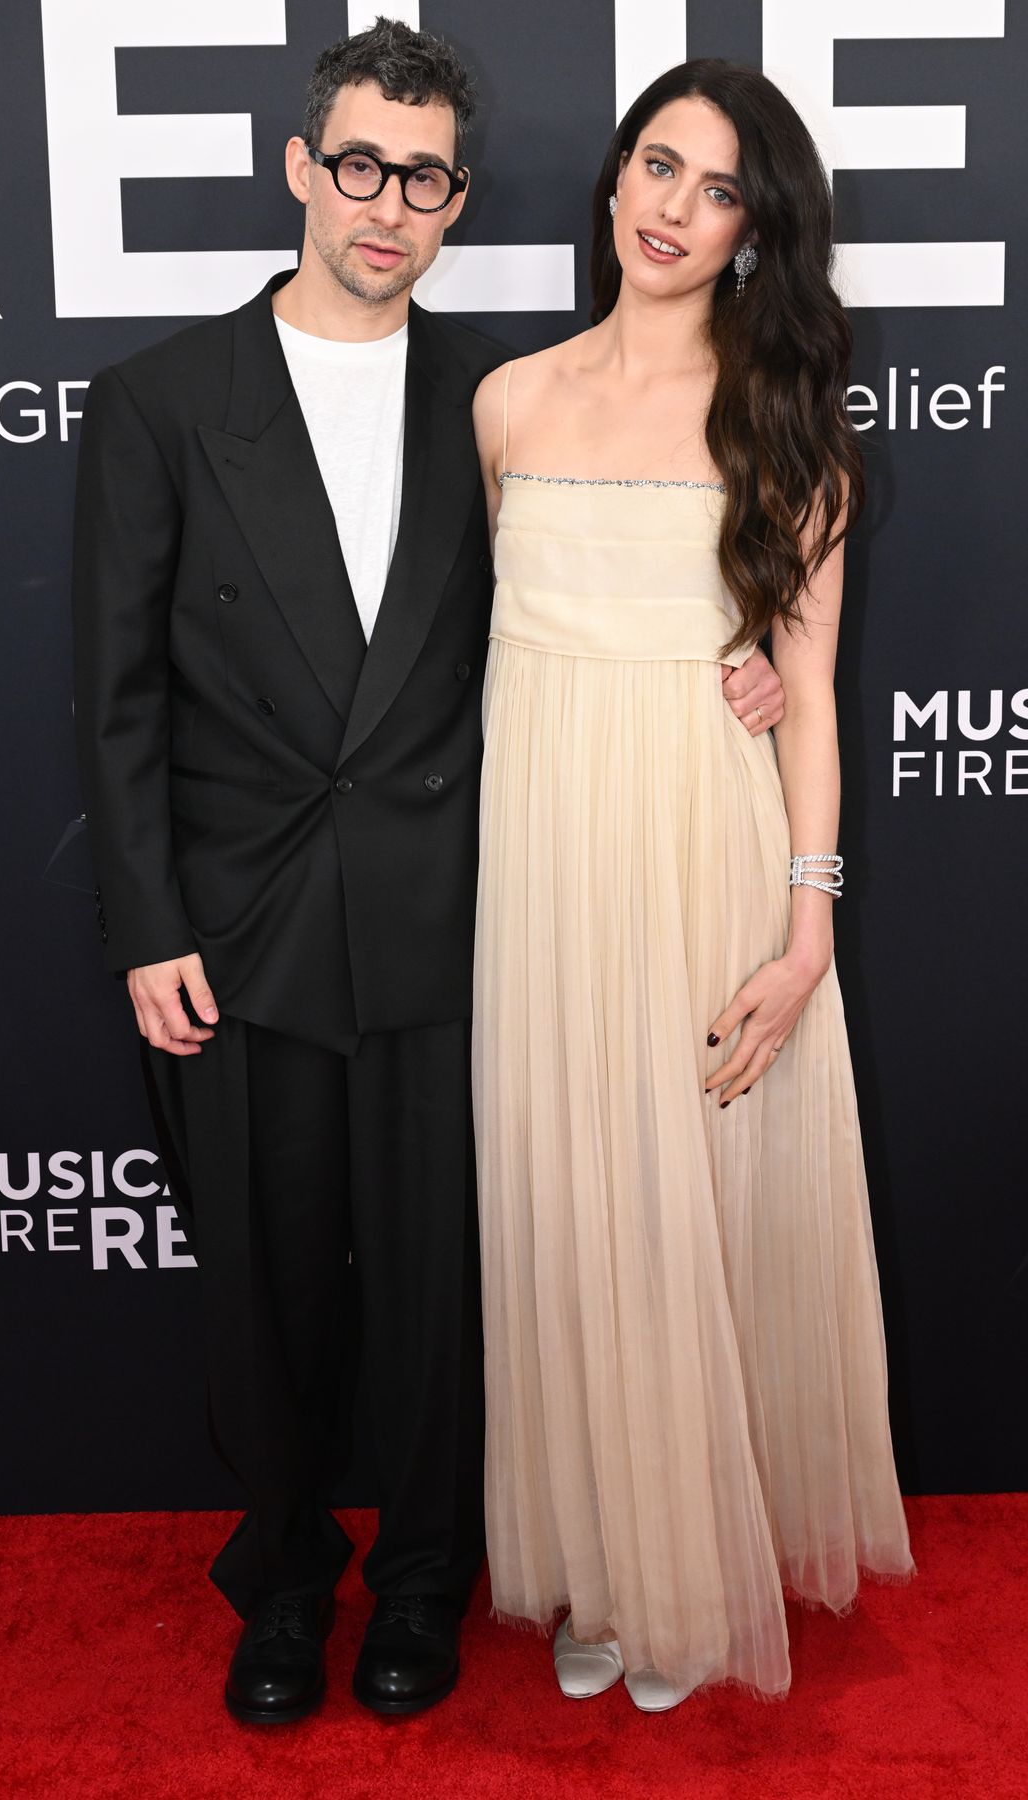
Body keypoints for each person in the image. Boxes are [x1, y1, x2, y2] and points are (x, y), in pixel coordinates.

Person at [72, 21, 783, 1725]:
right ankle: (285, 1587)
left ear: (460, 202)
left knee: (448, 1296)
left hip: (455, 925)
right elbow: (114, 695)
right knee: (261, 1288)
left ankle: (418, 1587)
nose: (392, 204)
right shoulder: (162, 401)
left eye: (429, 178)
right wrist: (147, 920)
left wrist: (736, 660)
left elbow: (599, 594)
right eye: (365, 165)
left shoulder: (496, 396)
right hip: (237, 933)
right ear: (306, 168)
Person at [472, 58, 914, 1712]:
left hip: (702, 850)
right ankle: (601, 1553)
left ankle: (688, 1574)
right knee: (571, 1212)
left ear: (751, 233)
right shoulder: (506, 402)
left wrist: (807, 934)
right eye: (657, 165)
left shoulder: (781, 415)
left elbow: (807, 691)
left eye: (716, 189)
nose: (670, 207)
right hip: (540, 862)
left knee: (690, 1212)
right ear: (612, 177)